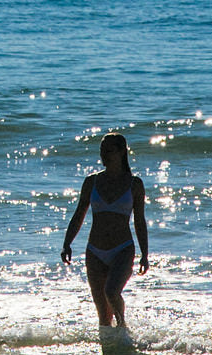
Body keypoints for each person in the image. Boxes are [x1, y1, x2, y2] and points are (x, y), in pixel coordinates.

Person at [61, 133, 149, 329]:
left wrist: (145, 254)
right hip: (95, 252)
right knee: (102, 315)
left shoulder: (135, 184)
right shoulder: (91, 182)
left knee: (111, 292)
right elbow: (78, 215)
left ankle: (123, 329)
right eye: (102, 151)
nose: (104, 155)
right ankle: (110, 352)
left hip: (123, 250)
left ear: (121, 153)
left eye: (109, 151)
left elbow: (140, 221)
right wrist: (67, 243)